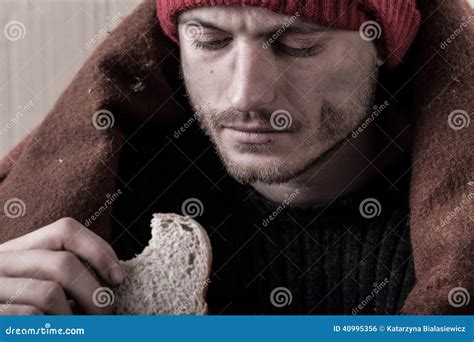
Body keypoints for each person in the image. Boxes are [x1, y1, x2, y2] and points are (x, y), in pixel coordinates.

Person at [0, 0, 472, 315]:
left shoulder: (450, 237)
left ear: (384, 44)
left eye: (297, 45)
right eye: (210, 41)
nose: (246, 95)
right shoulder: (110, 201)